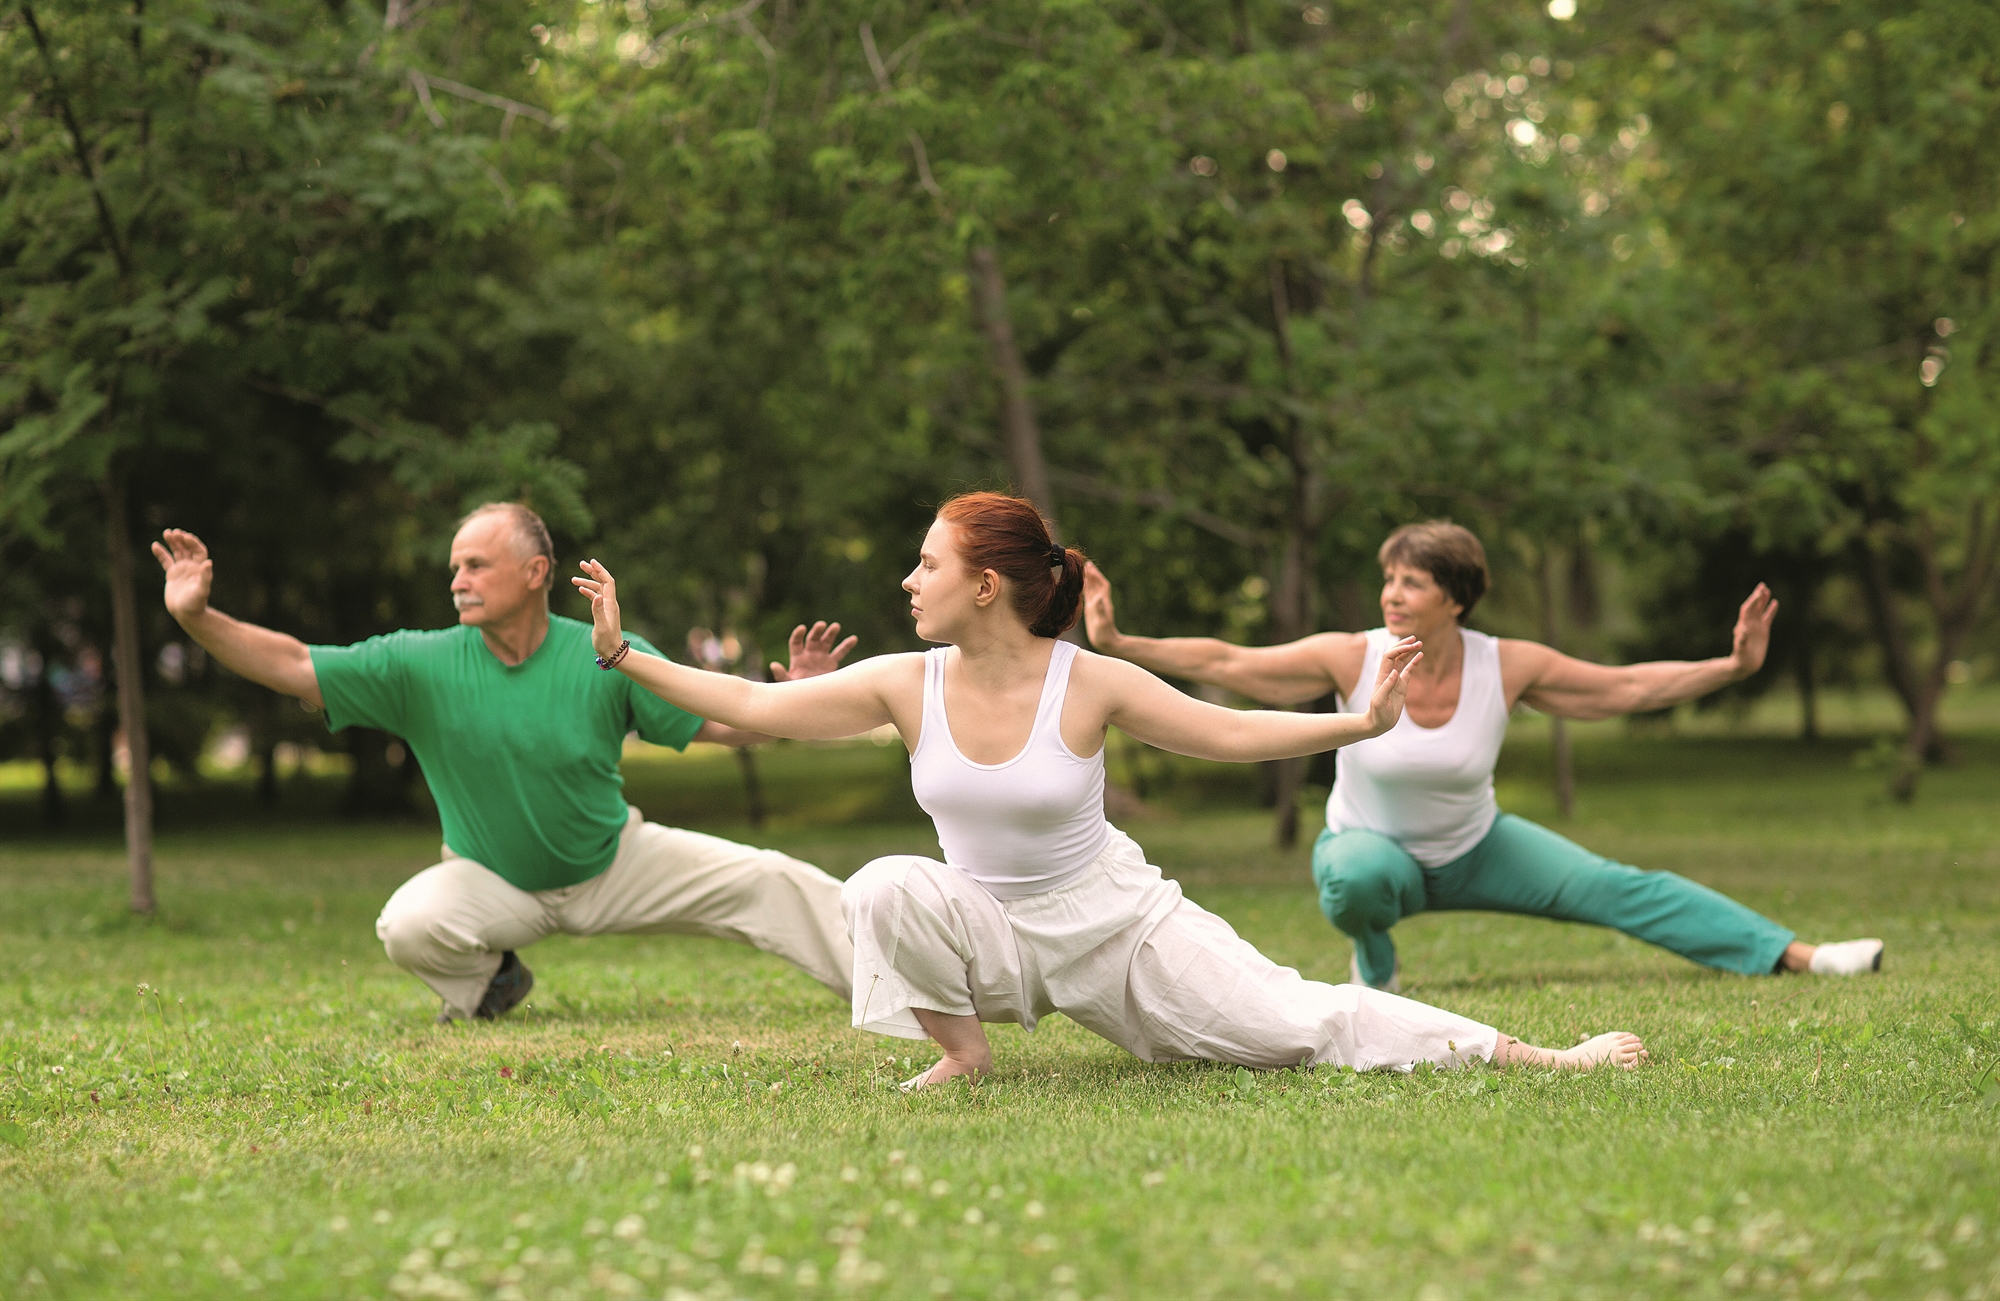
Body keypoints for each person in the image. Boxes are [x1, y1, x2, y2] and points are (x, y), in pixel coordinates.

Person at [572, 493, 1648, 1086]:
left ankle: (1537, 1054)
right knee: (881, 885)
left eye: (925, 564)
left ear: (983, 585)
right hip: (990, 929)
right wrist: (625, 656)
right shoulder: (904, 683)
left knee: (1299, 1025)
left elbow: (1225, 730)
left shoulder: (1087, 681)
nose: (907, 581)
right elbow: (752, 708)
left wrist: (1357, 721)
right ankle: (964, 1054)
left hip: (1119, 930)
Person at [1082, 520, 1884, 992]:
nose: (1393, 593)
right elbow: (1229, 661)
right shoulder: (1348, 654)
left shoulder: (1510, 664)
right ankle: (1375, 957)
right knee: (1359, 880)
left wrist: (1734, 667)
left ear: (1456, 599)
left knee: (1623, 888)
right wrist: (1120, 642)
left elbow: (1627, 688)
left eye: (1414, 582)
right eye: (1390, 579)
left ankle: (1802, 955)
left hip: (1478, 846)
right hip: (1374, 851)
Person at [153, 503, 857, 1022]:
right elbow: (296, 664)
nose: (457, 579)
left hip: (615, 862)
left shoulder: (607, 651)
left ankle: (900, 989)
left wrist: (798, 699)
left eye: (476, 564)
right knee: (408, 924)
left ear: (535, 572)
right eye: (454, 566)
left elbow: (727, 725)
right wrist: (197, 618)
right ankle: (493, 981)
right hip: (492, 880)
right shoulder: (418, 663)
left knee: (771, 877)